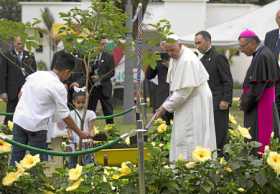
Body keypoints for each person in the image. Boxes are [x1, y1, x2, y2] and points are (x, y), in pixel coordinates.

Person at [10, 50, 90, 165]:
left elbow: (20, 95)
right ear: (66, 72)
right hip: (36, 126)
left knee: (16, 159)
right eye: (70, 74)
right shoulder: (58, 86)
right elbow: (65, 115)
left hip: (19, 120)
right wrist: (80, 133)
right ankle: (36, 181)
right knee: (36, 163)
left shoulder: (36, 75)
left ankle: (11, 182)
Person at [155, 38, 216, 161]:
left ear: (180, 45)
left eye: (172, 50)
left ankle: (191, 164)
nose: (171, 54)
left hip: (195, 101)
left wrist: (164, 107)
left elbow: (183, 92)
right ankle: (182, 164)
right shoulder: (176, 57)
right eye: (168, 51)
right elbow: (175, 86)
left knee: (190, 133)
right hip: (187, 100)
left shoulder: (187, 60)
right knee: (182, 132)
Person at [239, 29, 280, 153]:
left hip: (261, 106)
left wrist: (245, 102)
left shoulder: (262, 56)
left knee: (260, 141)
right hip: (265, 103)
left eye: (242, 47)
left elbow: (257, 87)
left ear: (251, 43)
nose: (241, 50)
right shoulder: (264, 53)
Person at [195, 31, 233, 154]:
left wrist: (226, 100)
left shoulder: (218, 57)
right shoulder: (200, 59)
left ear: (208, 41)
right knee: (209, 133)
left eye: (199, 43)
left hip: (218, 103)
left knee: (219, 132)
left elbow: (227, 80)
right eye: (196, 43)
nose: (197, 46)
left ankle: (221, 158)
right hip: (206, 102)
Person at [0, 36, 37, 124]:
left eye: (22, 43)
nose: (21, 45)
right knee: (10, 116)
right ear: (14, 44)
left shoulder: (30, 56)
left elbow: (34, 75)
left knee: (24, 116)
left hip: (26, 93)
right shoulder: (7, 55)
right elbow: (2, 74)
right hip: (11, 92)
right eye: (19, 43)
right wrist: (3, 92)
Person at [67, 87, 96, 167]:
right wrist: (69, 134)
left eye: (83, 102)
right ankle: (72, 172)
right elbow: (69, 127)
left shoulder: (90, 113)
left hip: (86, 139)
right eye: (78, 102)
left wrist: (91, 135)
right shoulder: (71, 114)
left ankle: (89, 174)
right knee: (72, 158)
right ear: (73, 102)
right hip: (74, 140)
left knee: (88, 158)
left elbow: (91, 127)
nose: (81, 104)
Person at [88, 38, 115, 124]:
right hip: (93, 88)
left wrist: (100, 77)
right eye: (101, 44)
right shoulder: (90, 56)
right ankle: (89, 130)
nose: (103, 46)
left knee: (108, 111)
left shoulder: (109, 56)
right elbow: (87, 71)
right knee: (90, 111)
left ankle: (111, 131)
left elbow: (112, 72)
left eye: (104, 44)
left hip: (105, 87)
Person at [146, 51, 173, 124]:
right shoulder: (158, 57)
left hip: (177, 94)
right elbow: (149, 75)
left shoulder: (181, 56)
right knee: (161, 125)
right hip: (162, 96)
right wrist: (152, 61)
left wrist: (170, 66)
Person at [264, 9, 280, 122]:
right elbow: (265, 56)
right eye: (279, 18)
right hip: (273, 79)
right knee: (274, 110)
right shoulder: (270, 36)